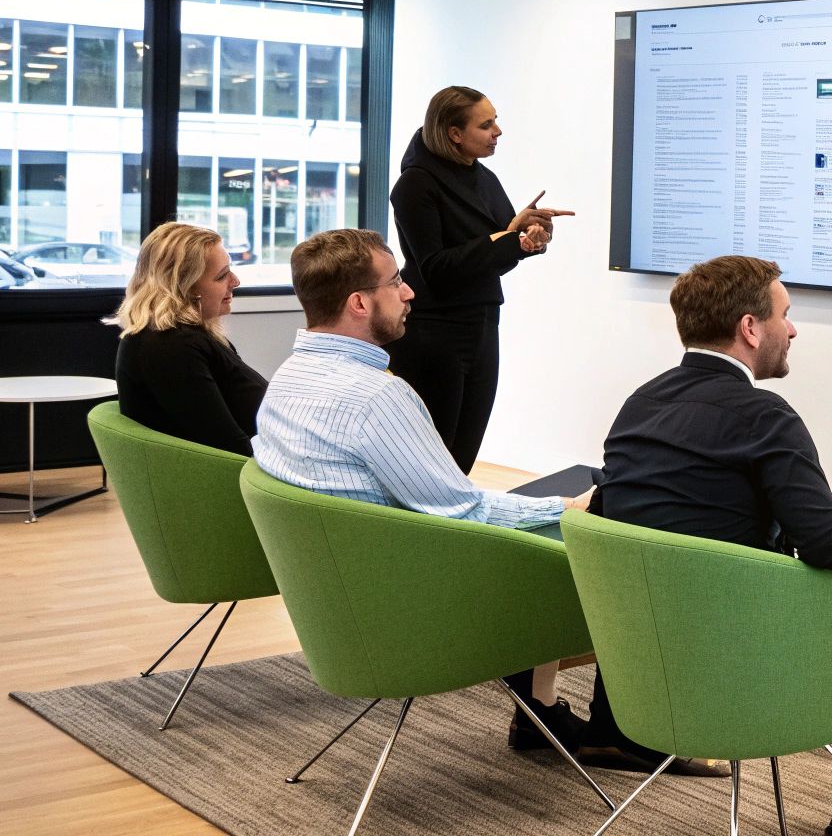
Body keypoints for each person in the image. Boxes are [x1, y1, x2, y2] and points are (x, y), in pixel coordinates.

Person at [591, 255, 832, 836]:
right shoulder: (763, 416)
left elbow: (609, 509)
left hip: (648, 673)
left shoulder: (640, 403)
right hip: (750, 669)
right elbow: (827, 541)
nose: (793, 330)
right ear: (750, 328)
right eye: (785, 315)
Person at [252, 228, 595, 757]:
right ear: (359, 303)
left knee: (550, 505)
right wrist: (567, 507)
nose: (410, 292)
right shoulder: (376, 398)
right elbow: (464, 511)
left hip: (343, 605)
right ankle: (618, 728)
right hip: (412, 610)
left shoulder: (288, 378)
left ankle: (539, 709)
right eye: (396, 282)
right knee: (598, 516)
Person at [386, 86, 571, 473]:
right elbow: (436, 268)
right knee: (431, 459)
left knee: (463, 455)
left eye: (495, 121)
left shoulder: (484, 178)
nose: (497, 131)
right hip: (434, 331)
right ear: (454, 133)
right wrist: (506, 239)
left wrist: (526, 238)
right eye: (486, 125)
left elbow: (494, 259)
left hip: (482, 323)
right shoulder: (415, 185)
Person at [110, 221, 265, 457]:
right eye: (222, 275)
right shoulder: (171, 347)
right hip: (238, 474)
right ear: (186, 287)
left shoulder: (181, 338)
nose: (235, 281)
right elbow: (228, 447)